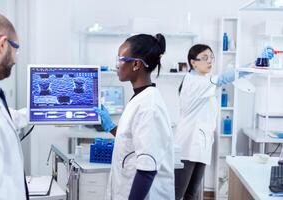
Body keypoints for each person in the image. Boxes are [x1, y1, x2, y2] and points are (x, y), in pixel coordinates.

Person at [174, 44, 273, 200]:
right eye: (204, 58)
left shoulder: (204, 79)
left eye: (211, 57)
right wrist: (255, 63)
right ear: (193, 62)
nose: (209, 61)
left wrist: (254, 66)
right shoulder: (194, 82)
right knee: (177, 194)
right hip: (188, 143)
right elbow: (225, 77)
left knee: (191, 193)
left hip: (201, 143)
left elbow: (228, 78)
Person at [95, 33, 174, 200]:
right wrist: (111, 127)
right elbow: (133, 142)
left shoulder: (149, 107)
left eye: (120, 59)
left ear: (136, 64)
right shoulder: (140, 98)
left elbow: (147, 170)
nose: (117, 65)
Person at [0, 12, 28, 200]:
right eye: (15, 48)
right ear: (2, 44)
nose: (16, 59)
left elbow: (5, 118)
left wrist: (40, 113)